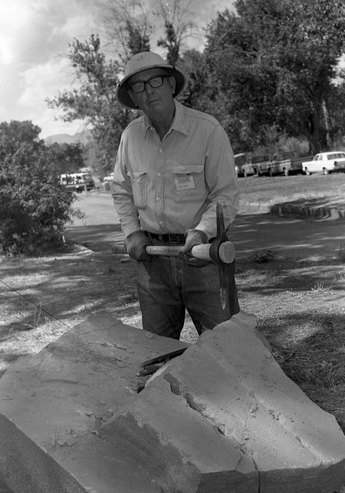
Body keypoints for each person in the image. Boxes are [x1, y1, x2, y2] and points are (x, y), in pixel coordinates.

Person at [112, 51, 240, 340]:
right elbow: (120, 189)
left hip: (204, 257)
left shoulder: (207, 130)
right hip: (152, 264)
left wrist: (202, 233)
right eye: (139, 86)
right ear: (133, 97)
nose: (148, 91)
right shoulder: (130, 138)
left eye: (155, 81)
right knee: (156, 351)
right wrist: (132, 232)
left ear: (171, 84)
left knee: (228, 347)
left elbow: (226, 195)